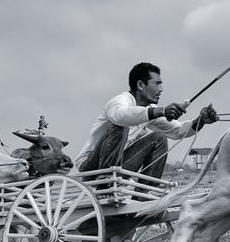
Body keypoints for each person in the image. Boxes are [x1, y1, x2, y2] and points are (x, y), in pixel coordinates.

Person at [77, 62, 219, 180]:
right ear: (140, 85)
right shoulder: (120, 101)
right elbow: (120, 116)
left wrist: (201, 121)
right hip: (91, 168)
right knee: (121, 125)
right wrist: (160, 111)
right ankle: (104, 181)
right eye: (157, 84)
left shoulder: (149, 110)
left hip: (118, 167)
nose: (161, 89)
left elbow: (177, 131)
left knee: (159, 138)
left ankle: (143, 197)